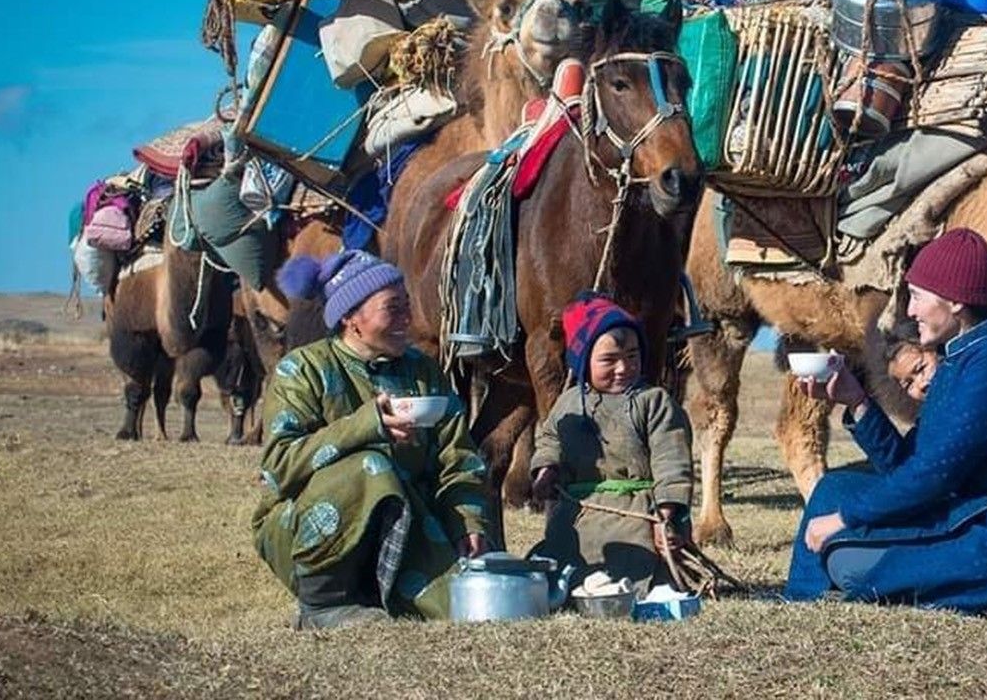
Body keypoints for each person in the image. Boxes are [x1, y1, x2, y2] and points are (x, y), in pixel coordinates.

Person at [783, 228, 987, 621]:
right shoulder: (962, 362)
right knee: (833, 489)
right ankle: (800, 604)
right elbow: (908, 468)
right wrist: (856, 401)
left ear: (955, 301)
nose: (909, 311)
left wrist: (844, 520)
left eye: (917, 297)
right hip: (984, 520)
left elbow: (930, 477)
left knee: (850, 560)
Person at [251, 250, 490, 629]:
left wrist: (468, 521)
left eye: (407, 306)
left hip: (412, 519)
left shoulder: (423, 371)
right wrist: (365, 426)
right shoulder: (301, 370)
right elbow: (279, 467)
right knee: (371, 465)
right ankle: (324, 605)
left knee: (471, 611)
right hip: (306, 528)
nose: (407, 319)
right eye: (392, 308)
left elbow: (460, 459)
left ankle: (380, 593)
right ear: (350, 318)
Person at [529, 292, 694, 593]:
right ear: (582, 361)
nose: (623, 368)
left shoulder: (654, 402)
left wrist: (666, 516)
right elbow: (551, 438)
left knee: (641, 576)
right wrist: (545, 469)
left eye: (632, 356)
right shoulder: (567, 403)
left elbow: (672, 461)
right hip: (577, 516)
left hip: (639, 516)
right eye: (609, 360)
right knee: (552, 573)